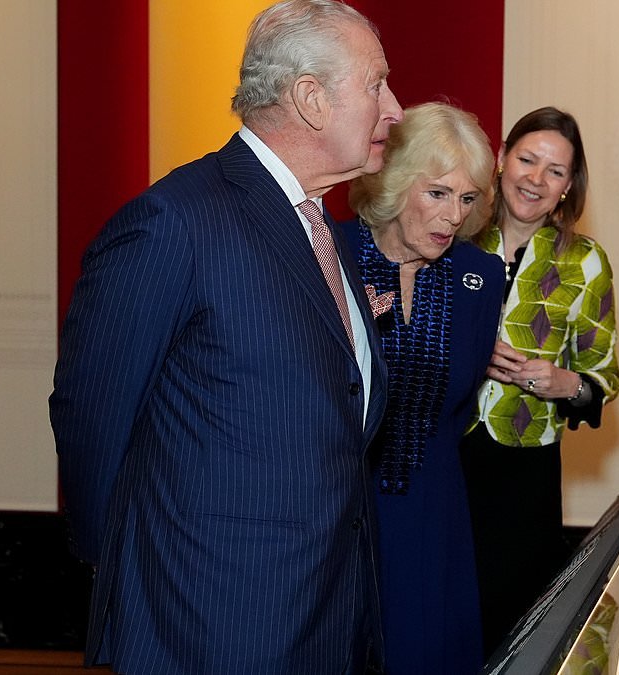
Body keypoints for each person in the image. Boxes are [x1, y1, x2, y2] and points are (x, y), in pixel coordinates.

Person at [48, 1, 402, 672]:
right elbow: (91, 417)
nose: (395, 107)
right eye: (376, 82)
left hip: (329, 619)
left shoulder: (324, 233)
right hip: (211, 624)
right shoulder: (173, 224)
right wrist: (139, 571)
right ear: (310, 98)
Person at [340, 102, 503, 674]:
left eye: (466, 198)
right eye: (437, 193)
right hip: (340, 515)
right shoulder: (324, 257)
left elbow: (460, 406)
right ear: (394, 182)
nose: (454, 215)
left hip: (437, 514)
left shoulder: (480, 281)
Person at [459, 106, 619, 656]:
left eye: (555, 171)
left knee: (514, 621)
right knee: (442, 608)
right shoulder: (451, 237)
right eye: (527, 159)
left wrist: (564, 384)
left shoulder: (586, 261)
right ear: (501, 160)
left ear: (568, 187)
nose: (536, 178)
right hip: (441, 454)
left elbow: (602, 373)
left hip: (524, 469)